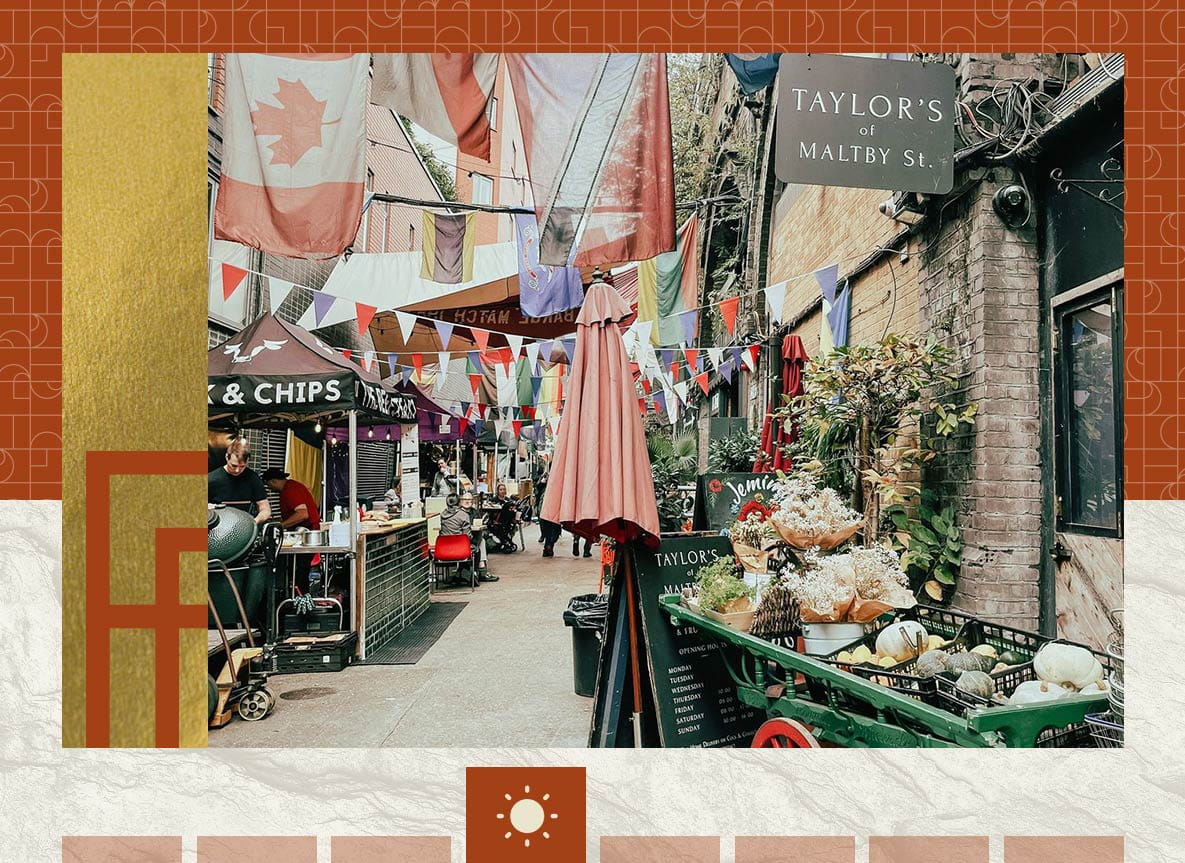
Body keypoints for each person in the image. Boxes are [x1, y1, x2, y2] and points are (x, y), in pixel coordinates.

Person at [261, 467, 322, 595]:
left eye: (268, 485)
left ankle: (302, 599)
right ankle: (299, 597)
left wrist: (281, 526)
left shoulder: (290, 490)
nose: (269, 489)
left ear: (273, 481)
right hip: (304, 534)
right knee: (299, 570)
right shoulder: (291, 487)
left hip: (306, 534)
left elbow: (302, 514)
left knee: (300, 571)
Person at [208, 438, 271, 524]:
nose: (237, 470)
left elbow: (265, 509)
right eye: (234, 466)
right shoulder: (211, 479)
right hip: (219, 529)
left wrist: (253, 522)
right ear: (227, 457)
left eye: (242, 466)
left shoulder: (253, 478)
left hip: (246, 527)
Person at [487, 482, 519, 553]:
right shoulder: (493, 500)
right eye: (501, 489)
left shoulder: (509, 501)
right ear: (498, 491)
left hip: (507, 521)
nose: (502, 491)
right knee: (497, 527)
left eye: (504, 489)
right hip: (496, 521)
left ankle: (506, 542)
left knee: (508, 527)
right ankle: (506, 542)